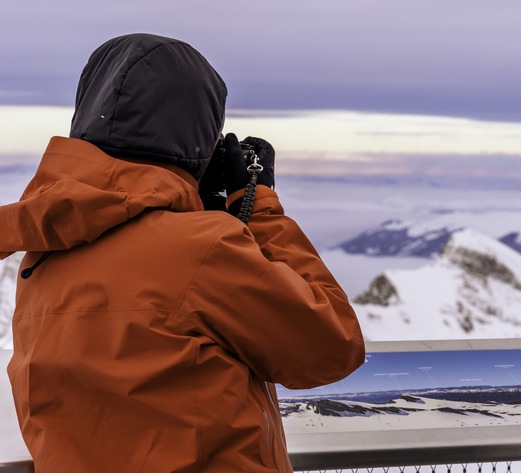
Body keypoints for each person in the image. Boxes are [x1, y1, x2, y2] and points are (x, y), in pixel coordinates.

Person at [0, 33, 365, 472]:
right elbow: (331, 348)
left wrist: (195, 208)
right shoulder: (201, 250)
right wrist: (258, 201)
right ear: (200, 133)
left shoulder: (42, 255)